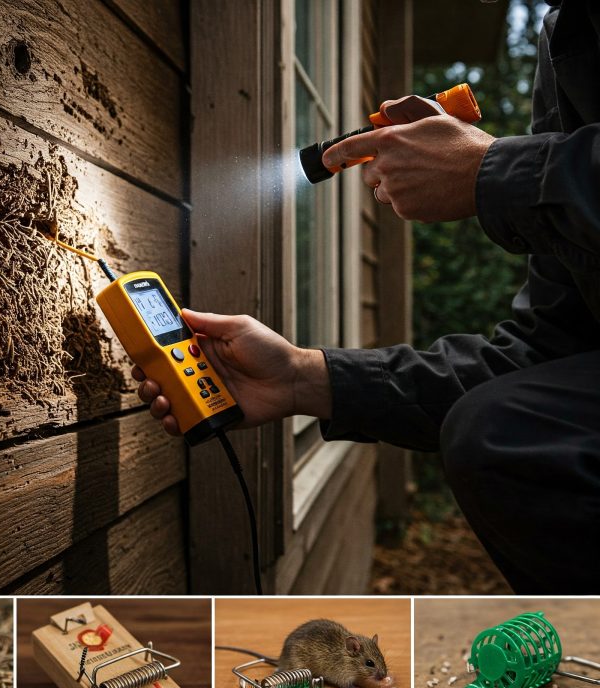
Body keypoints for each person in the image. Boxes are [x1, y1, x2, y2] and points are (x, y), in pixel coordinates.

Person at [134, 0, 600, 595]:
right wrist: (305, 379)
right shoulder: (568, 40)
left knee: (503, 432)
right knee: (504, 434)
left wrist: (493, 171)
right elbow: (550, 352)